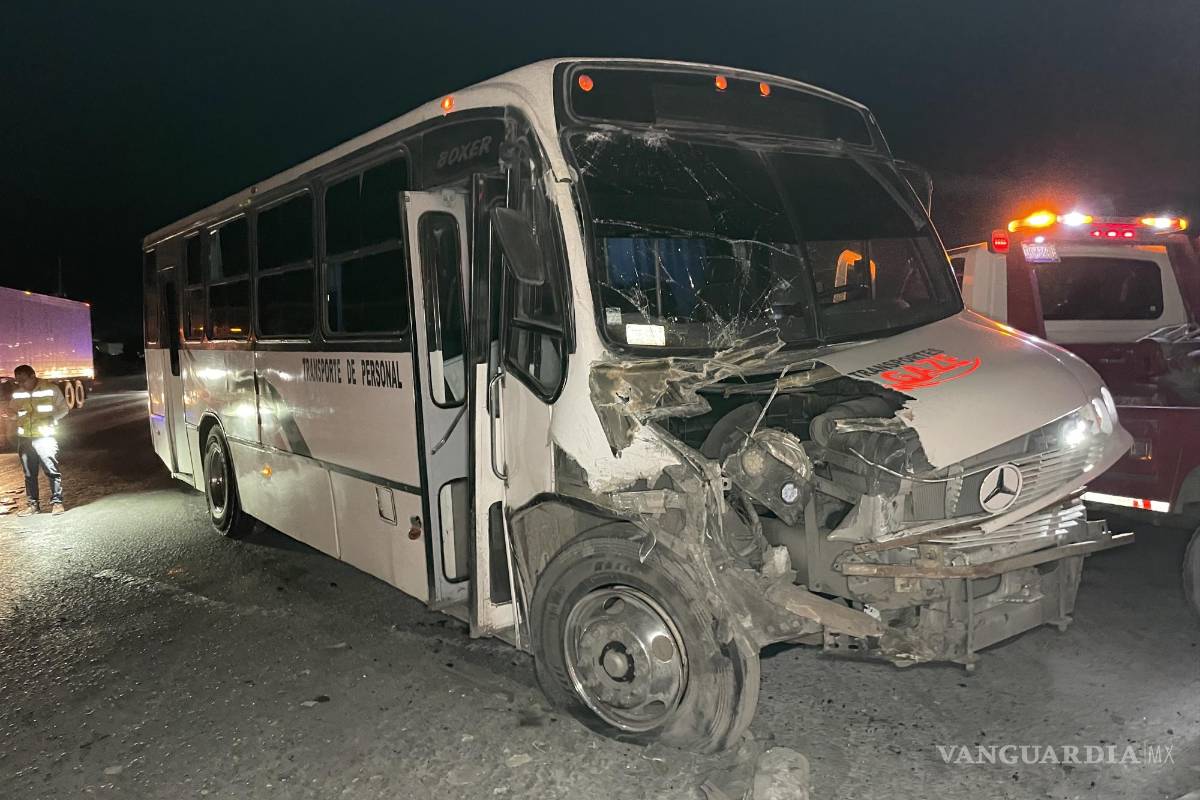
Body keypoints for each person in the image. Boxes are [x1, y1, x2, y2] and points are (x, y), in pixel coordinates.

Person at [2, 365, 70, 515]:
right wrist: (10, 414)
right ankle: (33, 505)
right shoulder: (19, 393)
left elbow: (64, 409)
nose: (20, 384)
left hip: (45, 437)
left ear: (33, 376)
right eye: (18, 381)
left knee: (51, 471)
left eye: (23, 380)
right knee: (29, 474)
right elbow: (14, 411)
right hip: (25, 438)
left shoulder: (50, 389)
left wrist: (52, 418)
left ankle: (57, 503)